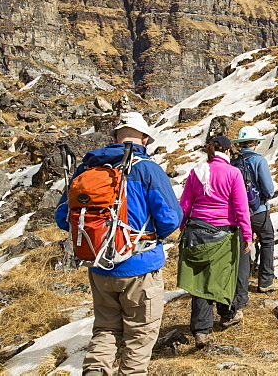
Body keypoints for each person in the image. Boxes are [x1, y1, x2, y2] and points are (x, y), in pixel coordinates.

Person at [55, 112, 182, 376]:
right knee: (140, 333)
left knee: (105, 327)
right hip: (140, 266)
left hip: (99, 265)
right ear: (145, 138)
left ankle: (95, 370)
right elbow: (171, 219)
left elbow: (62, 217)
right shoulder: (147, 169)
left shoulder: (87, 169)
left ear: (114, 137)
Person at [177, 135, 252, 347]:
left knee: (200, 281)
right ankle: (227, 315)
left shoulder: (197, 172)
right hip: (222, 232)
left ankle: (201, 330)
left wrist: (183, 228)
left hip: (196, 230)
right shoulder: (232, 173)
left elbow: (186, 204)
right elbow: (241, 208)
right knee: (224, 276)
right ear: (228, 151)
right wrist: (247, 235)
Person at [231, 126, 278, 293]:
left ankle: (240, 286)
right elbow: (269, 190)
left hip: (238, 211)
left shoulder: (233, 160)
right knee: (267, 241)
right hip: (258, 210)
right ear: (256, 142)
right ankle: (265, 281)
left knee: (244, 245)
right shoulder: (258, 160)